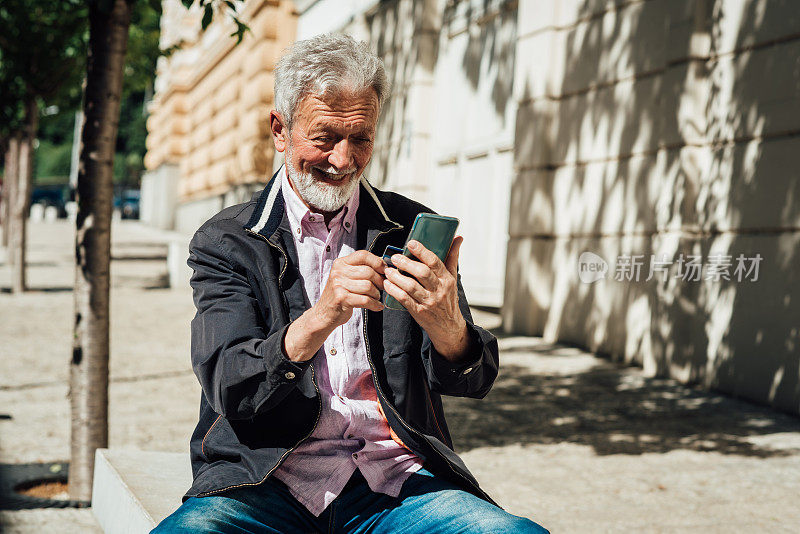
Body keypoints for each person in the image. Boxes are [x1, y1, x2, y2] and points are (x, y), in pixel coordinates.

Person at [153, 33, 548, 533]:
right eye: (324, 137)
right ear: (280, 129)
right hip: (265, 483)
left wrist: (449, 326)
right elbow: (232, 385)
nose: (343, 160)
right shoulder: (229, 241)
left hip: (396, 485)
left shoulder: (408, 228)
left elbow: (475, 379)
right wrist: (320, 317)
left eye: (361, 138)